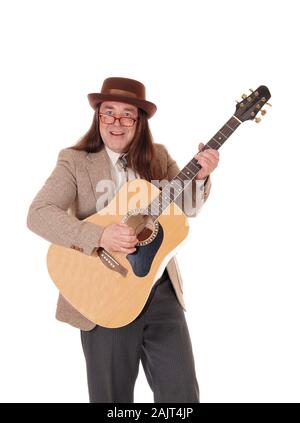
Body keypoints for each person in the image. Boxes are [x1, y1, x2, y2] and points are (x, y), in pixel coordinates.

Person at [27, 77, 219, 403]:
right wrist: (100, 234)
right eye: (108, 113)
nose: (117, 123)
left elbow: (185, 209)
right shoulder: (74, 161)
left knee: (182, 396)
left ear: (139, 122)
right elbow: (39, 214)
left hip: (160, 293)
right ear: (97, 118)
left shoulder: (158, 157)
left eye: (127, 115)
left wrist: (201, 179)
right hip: (104, 292)